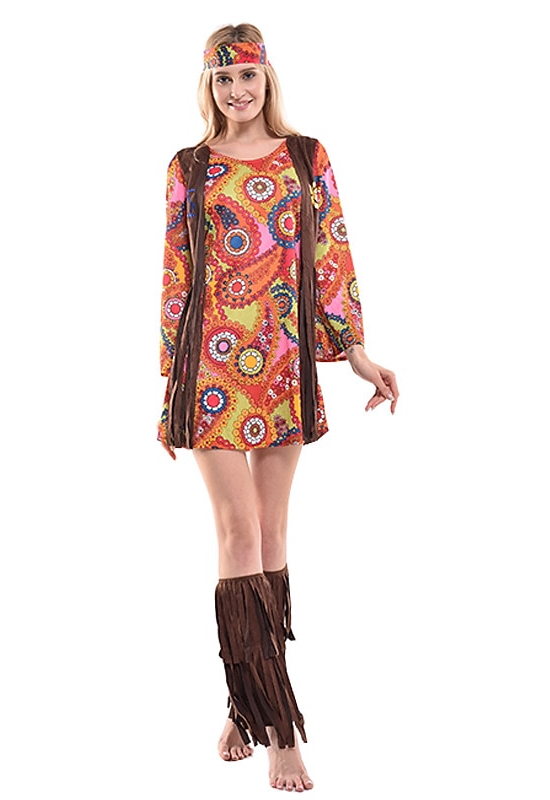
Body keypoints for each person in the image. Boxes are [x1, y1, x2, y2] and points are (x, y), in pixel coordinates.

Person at [157, 23, 399, 792]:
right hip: (210, 375)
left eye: (248, 77)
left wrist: (355, 351)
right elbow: (177, 275)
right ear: (210, 86)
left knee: (269, 534)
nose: (237, 92)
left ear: (267, 79)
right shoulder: (190, 167)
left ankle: (246, 699)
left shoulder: (306, 157)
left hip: (284, 366)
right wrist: (169, 386)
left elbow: (332, 254)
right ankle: (279, 727)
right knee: (236, 534)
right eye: (223, 79)